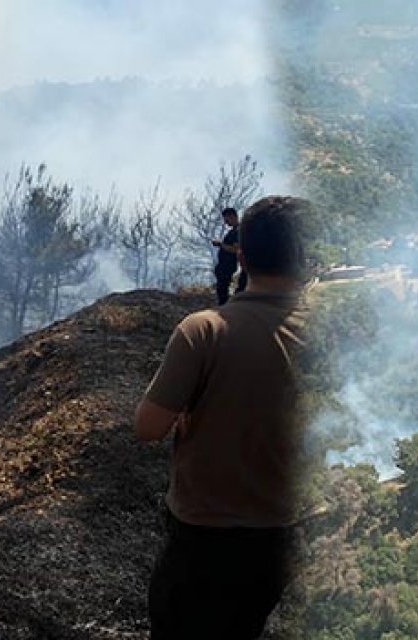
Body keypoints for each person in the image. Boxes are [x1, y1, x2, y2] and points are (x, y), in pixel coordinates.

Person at [136, 196, 310, 639]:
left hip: (203, 536)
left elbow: (148, 427)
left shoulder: (203, 330)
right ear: (305, 260)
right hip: (278, 537)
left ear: (243, 257)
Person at [211, 207, 247, 305]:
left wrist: (221, 244)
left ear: (233, 216)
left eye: (227, 220)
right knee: (221, 288)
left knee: (223, 288)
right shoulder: (233, 231)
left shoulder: (238, 231)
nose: (226, 223)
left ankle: (225, 306)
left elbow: (235, 249)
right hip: (224, 265)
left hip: (228, 265)